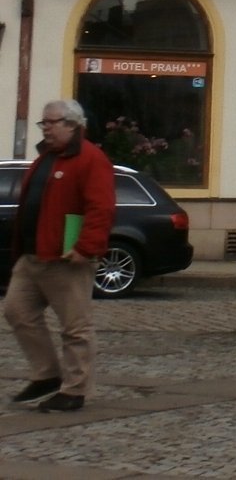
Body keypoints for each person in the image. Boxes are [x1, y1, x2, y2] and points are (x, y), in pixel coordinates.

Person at [5, 99, 115, 412]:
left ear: (73, 124)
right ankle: (47, 374)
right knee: (17, 312)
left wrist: (86, 247)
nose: (46, 128)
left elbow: (101, 208)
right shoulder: (45, 159)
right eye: (44, 124)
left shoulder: (91, 159)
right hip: (32, 256)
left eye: (51, 122)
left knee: (75, 327)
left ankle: (75, 390)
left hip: (66, 259)